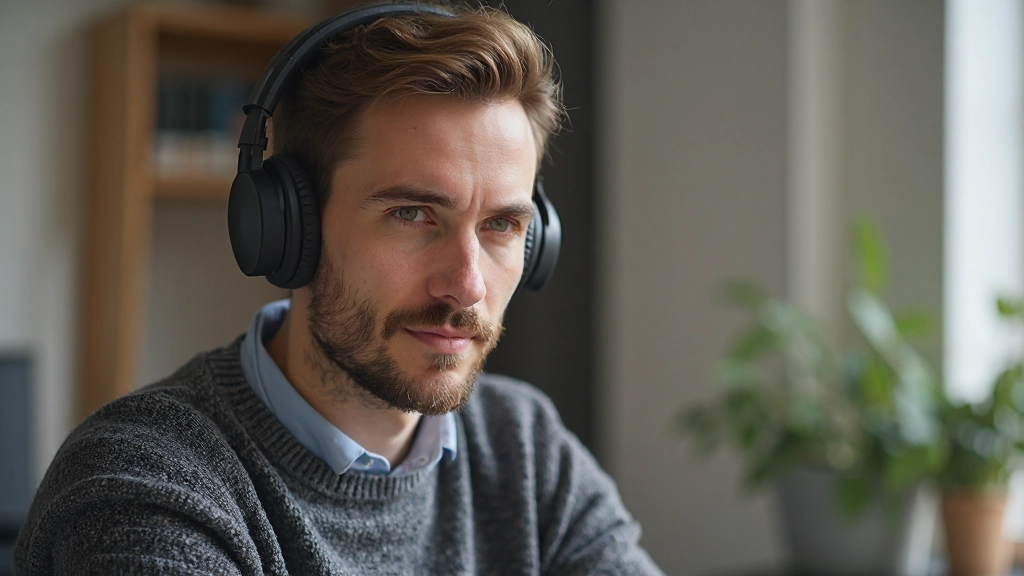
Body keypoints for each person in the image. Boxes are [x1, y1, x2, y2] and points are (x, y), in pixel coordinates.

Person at [15, 2, 663, 574]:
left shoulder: (524, 446)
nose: (466, 285)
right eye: (411, 215)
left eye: (501, 225)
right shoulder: (146, 478)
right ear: (288, 227)